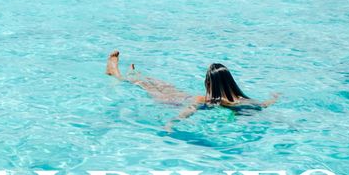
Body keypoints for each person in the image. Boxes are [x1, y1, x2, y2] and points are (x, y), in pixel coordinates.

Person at [105, 51, 277, 121]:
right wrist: (274, 99)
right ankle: (131, 73)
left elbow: (189, 110)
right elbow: (263, 105)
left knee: (148, 84)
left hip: (174, 100)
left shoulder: (208, 100)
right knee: (155, 84)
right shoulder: (243, 100)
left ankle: (116, 72)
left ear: (209, 83)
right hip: (182, 97)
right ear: (229, 80)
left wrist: (172, 121)